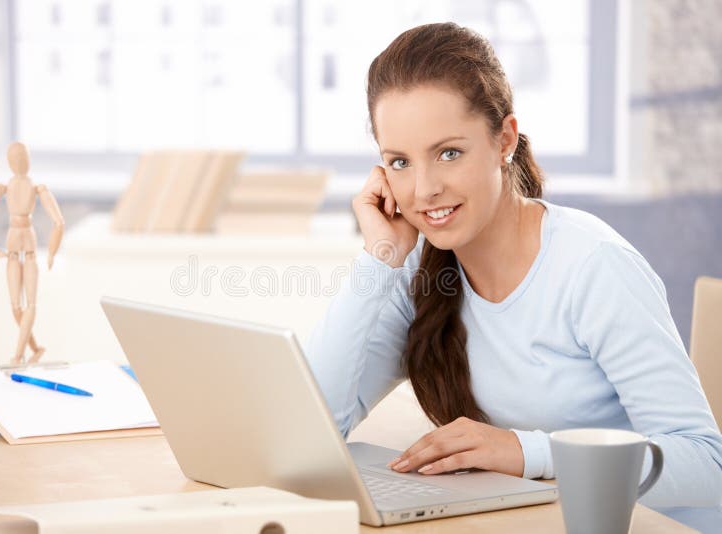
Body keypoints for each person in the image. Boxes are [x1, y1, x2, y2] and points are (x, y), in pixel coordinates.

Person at [303, 22, 722, 526]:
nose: (424, 189)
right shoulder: (418, 271)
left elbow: (707, 464)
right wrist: (380, 256)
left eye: (449, 153)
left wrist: (527, 453)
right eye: (399, 162)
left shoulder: (594, 267)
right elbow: (310, 429)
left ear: (504, 140)